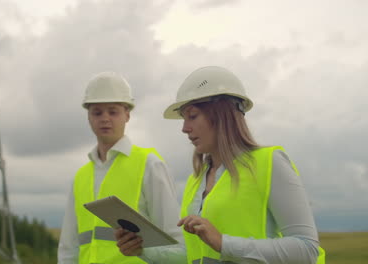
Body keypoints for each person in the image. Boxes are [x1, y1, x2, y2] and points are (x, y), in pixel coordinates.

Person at [118, 66, 325, 263]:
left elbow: (307, 250)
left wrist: (223, 243)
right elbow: (194, 255)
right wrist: (143, 251)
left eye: (192, 116)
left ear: (221, 113)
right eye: (184, 118)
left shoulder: (270, 162)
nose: (184, 128)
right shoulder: (195, 181)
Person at [57, 72, 185, 264]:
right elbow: (69, 248)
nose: (105, 118)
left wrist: (141, 251)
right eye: (97, 112)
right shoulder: (81, 176)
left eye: (113, 111)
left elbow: (177, 245)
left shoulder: (149, 164)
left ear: (127, 115)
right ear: (88, 117)